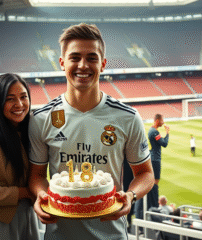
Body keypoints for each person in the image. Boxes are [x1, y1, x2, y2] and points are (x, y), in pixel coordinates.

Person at [28, 23, 154, 240]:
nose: (83, 65)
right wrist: (41, 195)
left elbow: (146, 173)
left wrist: (131, 196)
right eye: (75, 57)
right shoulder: (41, 118)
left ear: (103, 64)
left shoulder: (128, 117)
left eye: (92, 58)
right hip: (59, 235)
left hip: (111, 235)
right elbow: (37, 175)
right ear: (62, 63)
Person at [0, 73, 40, 240]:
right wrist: (25, 192)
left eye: (23, 97)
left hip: (30, 214)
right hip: (1, 221)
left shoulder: (30, 131)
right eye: (10, 99)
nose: (19, 104)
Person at [135, 113, 169, 220]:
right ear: (158, 120)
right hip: (155, 160)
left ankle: (150, 205)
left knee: (154, 183)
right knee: (155, 182)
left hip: (152, 158)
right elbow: (164, 143)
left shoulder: (152, 131)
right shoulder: (154, 132)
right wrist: (167, 133)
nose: (163, 122)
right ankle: (153, 206)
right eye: (162, 119)